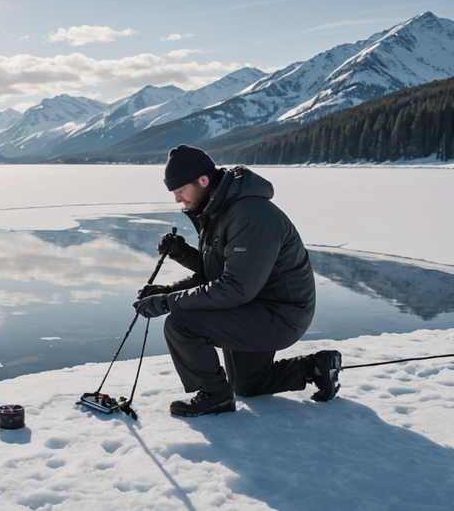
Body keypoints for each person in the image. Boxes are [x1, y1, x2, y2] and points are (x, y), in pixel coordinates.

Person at [133, 144, 342, 417]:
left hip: (279, 315)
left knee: (182, 324)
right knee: (247, 384)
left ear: (203, 181)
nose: (177, 199)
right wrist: (178, 262)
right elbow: (219, 272)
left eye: (180, 190)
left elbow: (235, 287)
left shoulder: (250, 215)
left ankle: (215, 397)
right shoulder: (220, 210)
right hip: (256, 306)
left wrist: (168, 302)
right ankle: (315, 367)